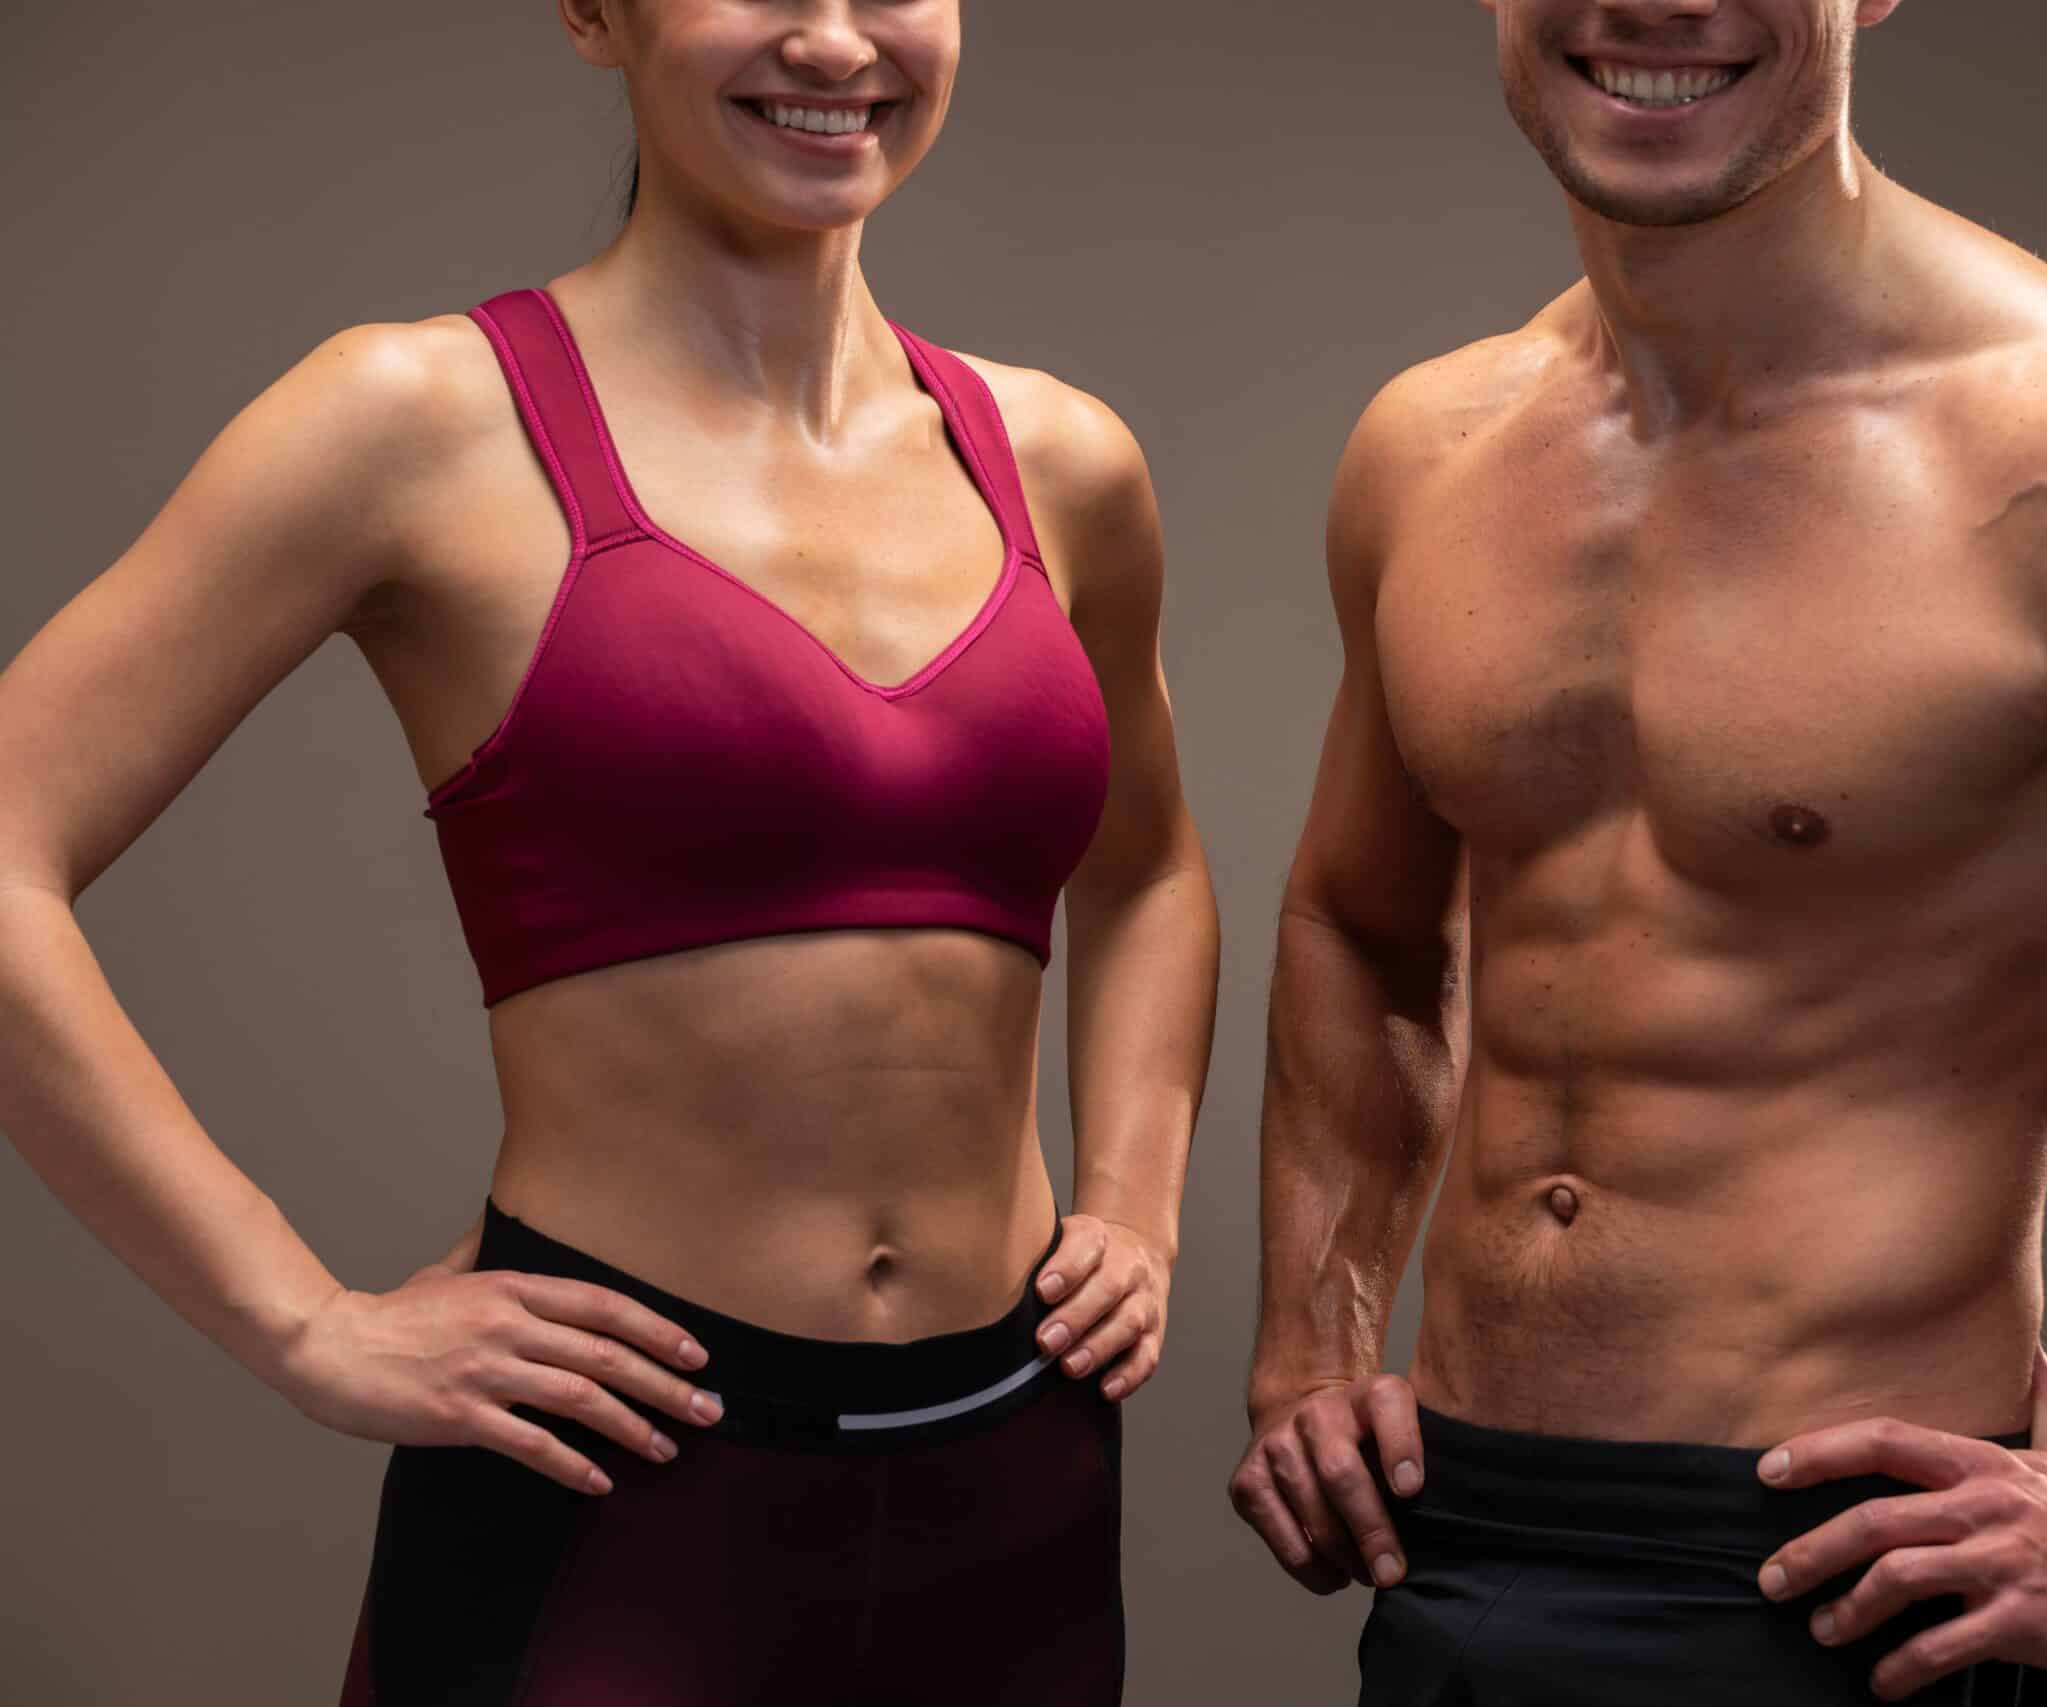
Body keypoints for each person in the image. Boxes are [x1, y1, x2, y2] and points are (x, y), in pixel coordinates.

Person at [1229, 2, 2047, 1703]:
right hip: (1462, 1538)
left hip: (1851, 1589)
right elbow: (1361, 923)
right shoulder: (1428, 451)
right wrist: (1312, 1332)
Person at [0, 3, 1216, 1703]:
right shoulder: (415, 419)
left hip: (1013, 1491)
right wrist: (297, 1317)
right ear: (593, 13)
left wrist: (1139, 1212)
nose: (833, 36)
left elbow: (1149, 864)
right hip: (622, 1499)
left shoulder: (1065, 462)